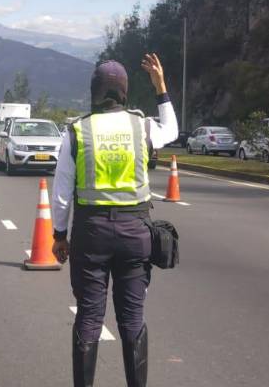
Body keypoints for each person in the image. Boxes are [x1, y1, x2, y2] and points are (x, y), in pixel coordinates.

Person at [50, 54, 177, 387]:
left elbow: (61, 192)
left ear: (94, 90)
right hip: (135, 232)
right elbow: (173, 131)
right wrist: (160, 87)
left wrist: (59, 235)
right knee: (133, 320)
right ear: (123, 91)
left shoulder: (77, 131)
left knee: (89, 319)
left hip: (91, 235)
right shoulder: (142, 125)